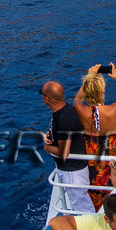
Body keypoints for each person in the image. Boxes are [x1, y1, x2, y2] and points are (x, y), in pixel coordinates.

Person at [74, 66, 116, 208]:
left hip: (92, 160)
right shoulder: (114, 109)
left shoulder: (80, 110)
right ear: (103, 91)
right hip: (112, 156)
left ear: (86, 90)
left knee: (95, 186)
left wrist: (89, 77)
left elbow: (77, 99)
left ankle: (98, 209)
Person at [41, 80, 93, 213]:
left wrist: (47, 148)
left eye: (42, 93)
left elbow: (63, 152)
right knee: (80, 203)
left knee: (81, 207)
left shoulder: (63, 119)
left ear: (47, 99)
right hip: (74, 169)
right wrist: (51, 136)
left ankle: (89, 226)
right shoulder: (65, 110)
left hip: (72, 172)